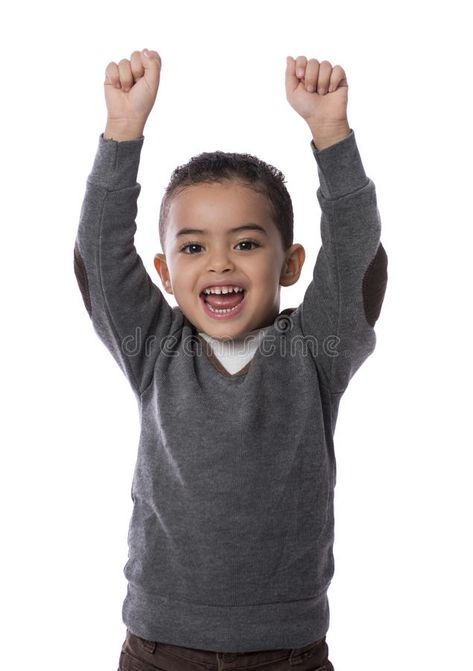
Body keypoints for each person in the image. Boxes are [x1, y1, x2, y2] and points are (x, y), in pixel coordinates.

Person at [73, 48, 388, 671]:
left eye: (246, 243)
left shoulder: (314, 352)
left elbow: (357, 256)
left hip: (288, 653)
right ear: (164, 272)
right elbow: (100, 261)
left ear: (291, 264)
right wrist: (122, 134)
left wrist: (331, 135)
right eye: (193, 247)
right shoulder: (154, 350)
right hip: (159, 649)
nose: (219, 263)